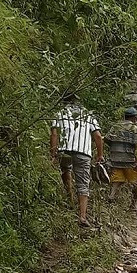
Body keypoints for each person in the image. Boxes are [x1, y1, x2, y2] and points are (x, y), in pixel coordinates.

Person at [51, 94, 103, 226]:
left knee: (65, 171)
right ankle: (82, 216)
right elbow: (97, 136)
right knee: (83, 183)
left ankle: (70, 199)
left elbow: (54, 133)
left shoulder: (59, 114)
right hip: (83, 152)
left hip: (64, 150)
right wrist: (100, 154)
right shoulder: (88, 115)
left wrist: (53, 152)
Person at [105, 107, 137, 208]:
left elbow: (107, 139)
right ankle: (133, 203)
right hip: (129, 160)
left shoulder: (115, 127)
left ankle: (112, 195)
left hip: (115, 158)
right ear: (134, 117)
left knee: (117, 180)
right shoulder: (135, 129)